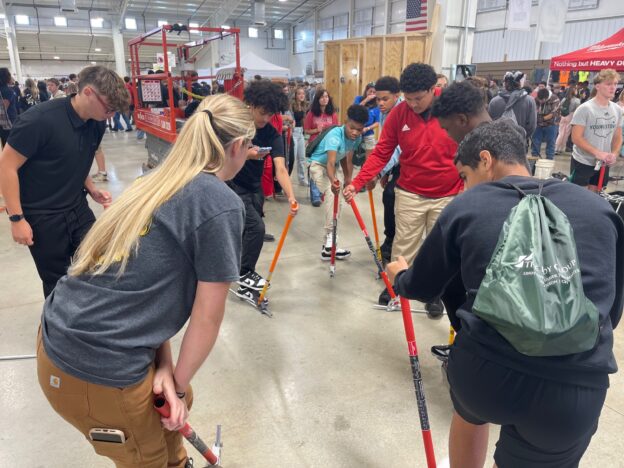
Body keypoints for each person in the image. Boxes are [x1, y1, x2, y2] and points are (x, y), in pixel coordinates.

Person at [387, 118, 623, 468]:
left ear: (486, 159)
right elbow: (612, 308)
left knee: (469, 411)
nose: (465, 188)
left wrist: (400, 275)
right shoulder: (600, 208)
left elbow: (422, 286)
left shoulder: (467, 206)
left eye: (464, 176)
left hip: (485, 372)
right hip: (574, 386)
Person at [37, 94, 254, 468]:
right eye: (250, 146)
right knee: (157, 440)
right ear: (236, 146)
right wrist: (179, 389)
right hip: (98, 369)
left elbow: (147, 289)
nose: (250, 154)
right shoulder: (219, 203)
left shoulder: (155, 180)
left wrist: (167, 368)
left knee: (170, 428)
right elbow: (207, 317)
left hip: (59, 340)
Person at [0, 66, 129, 297]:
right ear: (88, 92)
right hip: (42, 215)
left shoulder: (96, 122)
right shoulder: (39, 121)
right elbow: (6, 166)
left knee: (97, 263)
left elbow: (77, 158)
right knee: (57, 280)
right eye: (109, 108)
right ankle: (61, 327)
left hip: (76, 207)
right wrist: (17, 218)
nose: (111, 116)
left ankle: (90, 317)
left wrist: (91, 188)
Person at [344, 63, 461, 316]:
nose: (413, 104)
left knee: (440, 249)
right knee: (403, 245)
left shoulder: (452, 107)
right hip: (410, 192)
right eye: (408, 99)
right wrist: (358, 181)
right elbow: (382, 152)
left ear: (433, 90)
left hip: (449, 193)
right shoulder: (399, 114)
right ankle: (395, 286)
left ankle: (435, 294)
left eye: (418, 98)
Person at [229, 80, 299, 305]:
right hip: (230, 185)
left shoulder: (270, 133)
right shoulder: (235, 125)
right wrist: (246, 154)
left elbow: (280, 168)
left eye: (270, 114)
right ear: (250, 104)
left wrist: (291, 196)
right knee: (255, 229)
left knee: (248, 232)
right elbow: (217, 155)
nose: (265, 119)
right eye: (262, 113)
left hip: (254, 187)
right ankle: (244, 272)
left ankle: (241, 275)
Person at [308, 104, 368, 261]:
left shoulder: (357, 138)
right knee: (331, 193)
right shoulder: (335, 135)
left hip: (332, 166)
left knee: (338, 200)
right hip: (317, 166)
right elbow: (330, 162)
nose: (355, 132)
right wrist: (334, 181)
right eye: (352, 128)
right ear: (346, 122)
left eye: (359, 129)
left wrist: (349, 179)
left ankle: (328, 244)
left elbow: (345, 157)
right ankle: (329, 240)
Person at [368, 75, 402, 263]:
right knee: (388, 195)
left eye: (384, 99)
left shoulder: (402, 111)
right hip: (395, 164)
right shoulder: (384, 112)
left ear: (397, 95)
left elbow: (397, 149)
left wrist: (379, 172)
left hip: (410, 162)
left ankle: (393, 240)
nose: (380, 103)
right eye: (378, 99)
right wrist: (385, 172)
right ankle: (390, 238)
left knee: (391, 195)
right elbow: (385, 145)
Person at [570, 69, 623, 191]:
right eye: (608, 84)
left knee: (596, 197)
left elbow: (618, 136)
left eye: (615, 84)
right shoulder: (585, 109)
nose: (613, 88)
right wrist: (597, 153)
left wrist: (614, 154)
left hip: (603, 163)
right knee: (580, 196)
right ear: (597, 86)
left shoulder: (617, 110)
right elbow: (576, 138)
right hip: (583, 161)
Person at [304, 89, 338, 207]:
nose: (325, 99)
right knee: (314, 169)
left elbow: (336, 130)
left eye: (327, 97)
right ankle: (315, 196)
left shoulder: (332, 114)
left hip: (329, 146)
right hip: (314, 144)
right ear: (317, 99)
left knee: (327, 170)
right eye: (322, 97)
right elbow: (306, 130)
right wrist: (316, 130)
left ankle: (323, 192)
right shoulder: (311, 114)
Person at [489, 71, 537, 140]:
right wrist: (523, 137)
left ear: (505, 83)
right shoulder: (529, 101)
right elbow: (532, 126)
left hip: (498, 142)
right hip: (519, 142)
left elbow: (490, 123)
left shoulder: (494, 101)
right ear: (520, 83)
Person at [353, 83, 380, 159]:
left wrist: (367, 129)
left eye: (374, 92)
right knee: (351, 155)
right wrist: (366, 100)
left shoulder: (377, 105)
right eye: (370, 91)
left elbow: (377, 122)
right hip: (355, 130)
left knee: (369, 156)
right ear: (366, 91)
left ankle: (365, 169)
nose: (371, 94)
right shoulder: (358, 98)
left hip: (368, 132)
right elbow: (355, 110)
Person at [532, 87, 560, 160]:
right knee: (535, 142)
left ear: (546, 98)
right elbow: (534, 110)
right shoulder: (537, 99)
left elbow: (552, 114)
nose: (540, 101)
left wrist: (541, 119)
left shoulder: (555, 99)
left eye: (542, 100)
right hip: (538, 125)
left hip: (551, 124)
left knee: (551, 143)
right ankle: (534, 158)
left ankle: (549, 160)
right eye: (539, 99)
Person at [291, 86, 309, 186]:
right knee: (292, 158)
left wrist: (306, 135)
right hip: (293, 132)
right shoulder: (291, 106)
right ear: (295, 95)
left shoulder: (304, 106)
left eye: (303, 93)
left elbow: (304, 121)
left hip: (301, 133)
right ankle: (287, 178)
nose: (301, 95)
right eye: (299, 93)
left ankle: (302, 179)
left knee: (302, 158)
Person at [555, 87, 581, 154]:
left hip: (563, 117)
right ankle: (561, 149)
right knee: (566, 134)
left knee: (561, 133)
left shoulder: (564, 99)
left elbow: (559, 107)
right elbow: (578, 111)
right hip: (571, 117)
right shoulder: (577, 100)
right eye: (576, 90)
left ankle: (556, 148)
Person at [0, 67, 18, 147]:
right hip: (8, 123)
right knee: (10, 146)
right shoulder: (7, 91)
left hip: (3, 124)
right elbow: (4, 108)